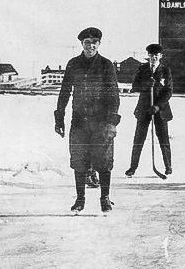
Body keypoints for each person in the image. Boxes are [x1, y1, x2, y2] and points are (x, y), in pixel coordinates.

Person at [54, 27, 121, 213]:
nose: (90, 46)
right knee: (79, 160)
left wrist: (111, 122)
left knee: (104, 160)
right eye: (86, 43)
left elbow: (114, 95)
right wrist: (59, 118)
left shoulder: (107, 65)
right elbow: (65, 92)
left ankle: (105, 198)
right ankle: (80, 200)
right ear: (81, 44)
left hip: (101, 122)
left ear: (99, 44)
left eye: (94, 42)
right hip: (79, 122)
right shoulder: (73, 64)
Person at [125, 43, 173, 177]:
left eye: (156, 55)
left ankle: (168, 166)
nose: (153, 57)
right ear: (148, 56)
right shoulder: (142, 69)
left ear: (161, 56)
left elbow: (168, 91)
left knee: (163, 138)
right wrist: (146, 84)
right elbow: (135, 86)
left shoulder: (165, 70)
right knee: (139, 138)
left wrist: (158, 106)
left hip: (160, 109)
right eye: (151, 55)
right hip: (143, 109)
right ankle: (133, 167)